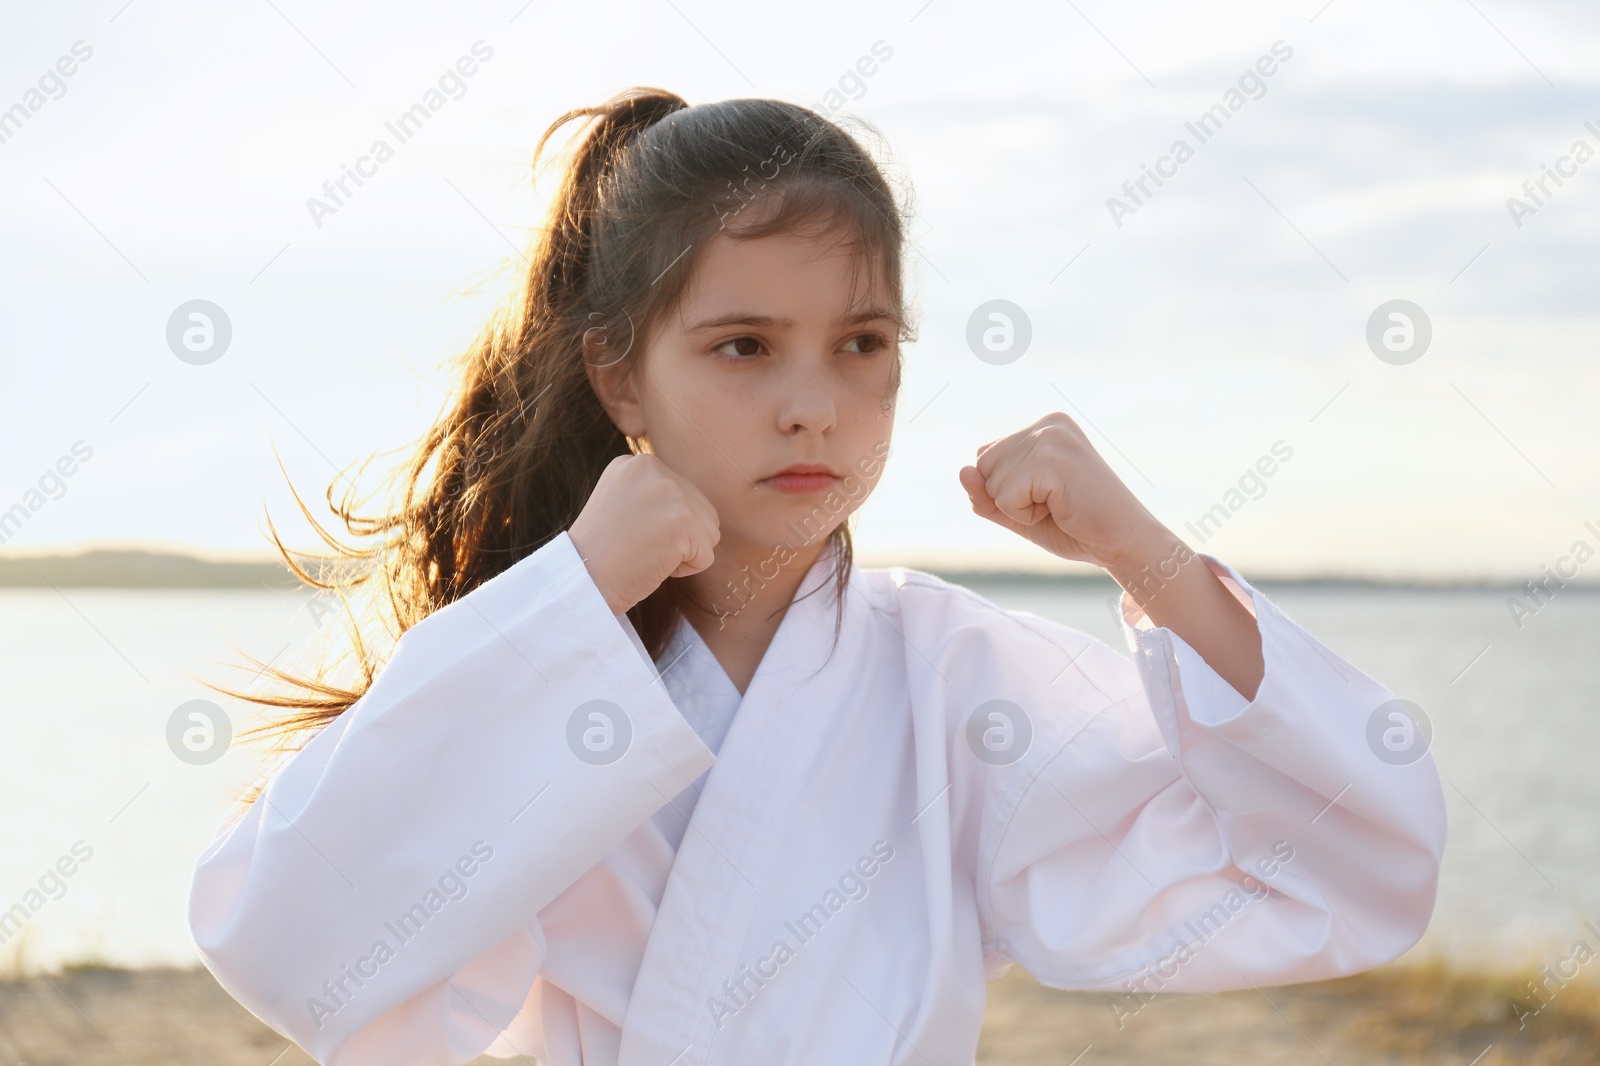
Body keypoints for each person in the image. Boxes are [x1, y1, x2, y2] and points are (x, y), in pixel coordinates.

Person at [187, 86, 1447, 1066]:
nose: (813, 409)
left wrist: (1145, 553)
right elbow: (300, 950)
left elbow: (1341, 867)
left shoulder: (952, 680)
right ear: (620, 374)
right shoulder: (550, 668)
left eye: (860, 345)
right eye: (743, 346)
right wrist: (570, 594)